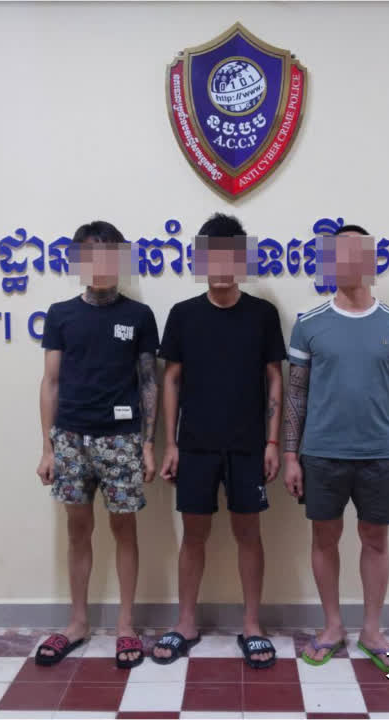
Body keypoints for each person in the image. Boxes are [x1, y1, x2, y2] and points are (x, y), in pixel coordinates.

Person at [283, 224, 389, 671]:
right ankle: (332, 627)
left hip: (380, 455)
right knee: (324, 539)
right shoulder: (309, 325)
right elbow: (296, 395)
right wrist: (290, 457)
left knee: (376, 539)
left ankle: (372, 630)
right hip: (321, 453)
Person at [151, 213, 285, 669]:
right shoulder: (183, 314)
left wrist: (272, 443)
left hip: (249, 445)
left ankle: (252, 625)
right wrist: (171, 444)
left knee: (249, 534)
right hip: (196, 445)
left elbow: (274, 378)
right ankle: (186, 622)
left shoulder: (263, 314)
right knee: (194, 535)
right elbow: (171, 380)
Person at [35, 220, 159, 669]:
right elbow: (50, 382)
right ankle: (78, 622)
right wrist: (47, 448)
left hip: (121, 440)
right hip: (70, 438)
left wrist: (148, 444)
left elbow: (149, 383)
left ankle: (126, 625)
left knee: (124, 529)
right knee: (77, 530)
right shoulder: (60, 314)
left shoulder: (139, 315)